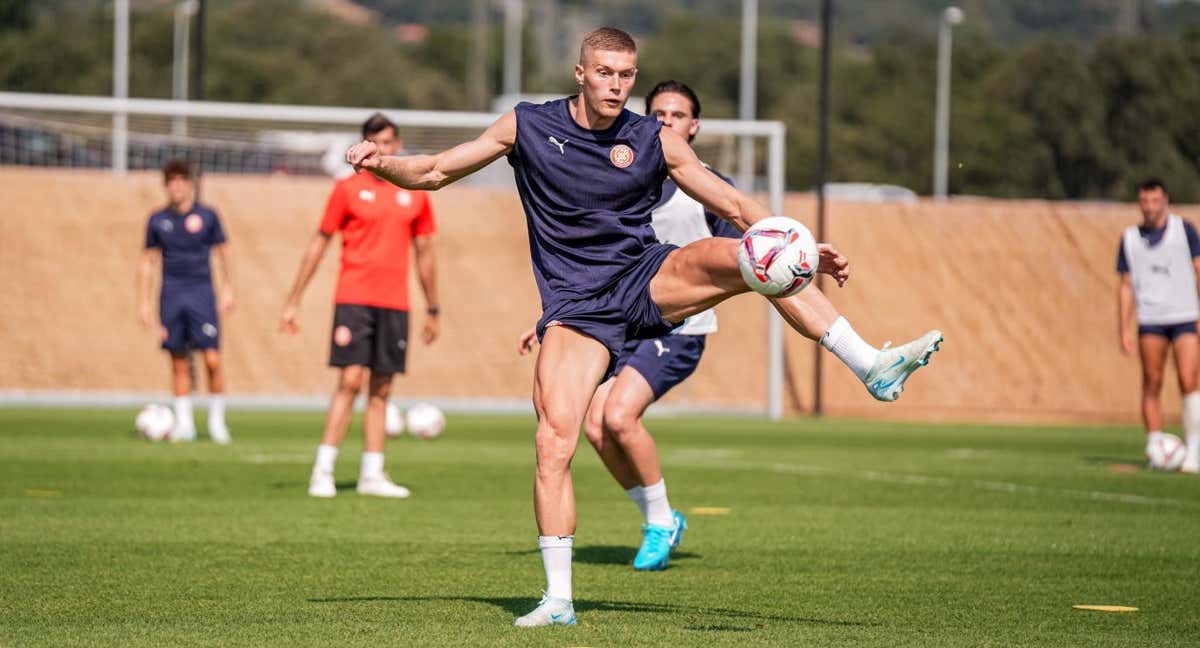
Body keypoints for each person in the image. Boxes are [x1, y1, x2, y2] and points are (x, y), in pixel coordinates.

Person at [345, 28, 942, 626]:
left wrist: (799, 246)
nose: (616, 84)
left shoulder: (651, 138)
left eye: (626, 75)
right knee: (554, 442)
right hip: (576, 308)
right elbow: (431, 172)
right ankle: (558, 601)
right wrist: (380, 164)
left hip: (643, 278)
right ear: (580, 73)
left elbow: (735, 207)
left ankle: (869, 364)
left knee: (745, 255)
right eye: (604, 72)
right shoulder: (526, 124)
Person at [517, 80, 740, 572]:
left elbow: (744, 248)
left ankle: (660, 521)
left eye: (678, 115)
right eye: (657, 113)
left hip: (677, 329)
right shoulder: (628, 173)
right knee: (593, 427)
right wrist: (555, 322)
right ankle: (659, 516)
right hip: (617, 319)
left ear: (694, 125)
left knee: (617, 415)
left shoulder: (703, 185)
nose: (666, 122)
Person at [281, 113, 440, 499]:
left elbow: (424, 253)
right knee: (349, 381)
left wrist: (433, 307)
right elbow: (320, 243)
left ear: (397, 146)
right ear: (363, 147)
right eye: (374, 143)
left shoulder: (414, 193)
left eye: (387, 143)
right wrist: (294, 298)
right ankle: (323, 469)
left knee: (382, 389)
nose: (381, 150)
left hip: (395, 304)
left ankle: (372, 473)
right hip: (353, 298)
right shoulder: (346, 189)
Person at [137, 160, 235, 444]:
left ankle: (217, 422)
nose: (176, 187)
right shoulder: (157, 220)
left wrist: (229, 289)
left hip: (202, 293)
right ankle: (185, 425)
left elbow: (224, 252)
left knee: (212, 360)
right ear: (165, 186)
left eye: (181, 181)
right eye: (171, 182)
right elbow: (147, 262)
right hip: (171, 295)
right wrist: (143, 302)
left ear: (191, 184)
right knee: (179, 362)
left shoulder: (208, 216)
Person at [1117, 178, 1200, 474]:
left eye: (1155, 200)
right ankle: (1155, 446)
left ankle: (1194, 450)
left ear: (1165, 200)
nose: (1150, 207)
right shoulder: (1129, 238)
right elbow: (1126, 286)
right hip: (1151, 319)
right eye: (1144, 201)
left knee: (1189, 381)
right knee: (1151, 381)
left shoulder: (1184, 231)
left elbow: (1198, 269)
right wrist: (1123, 327)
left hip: (1184, 315)